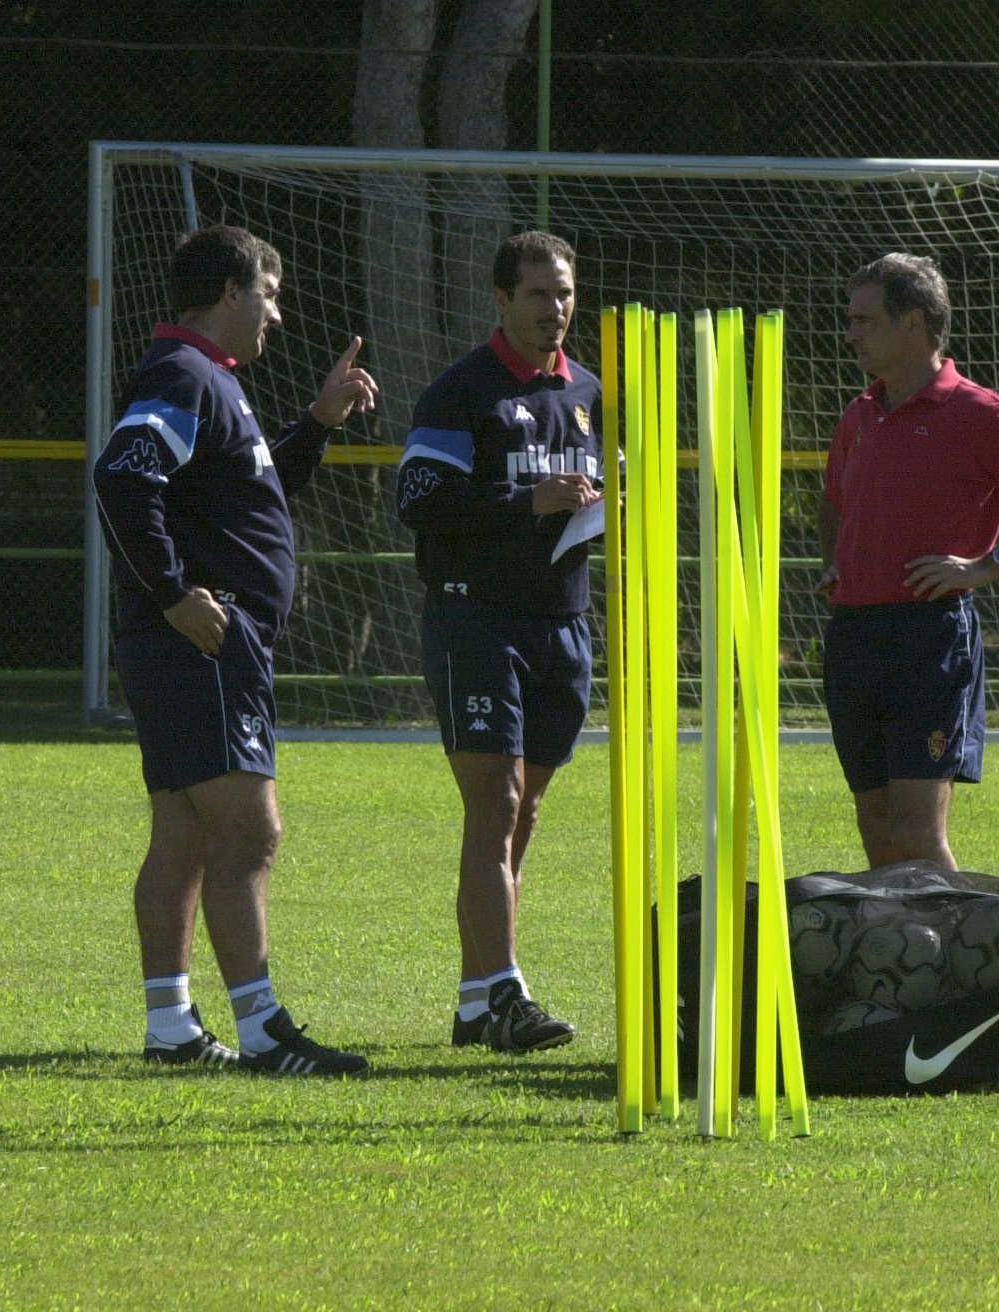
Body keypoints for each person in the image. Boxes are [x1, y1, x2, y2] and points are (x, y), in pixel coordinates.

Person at [93, 225, 379, 1075]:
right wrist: (176, 596)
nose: (279, 315)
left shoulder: (211, 382)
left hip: (204, 644)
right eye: (270, 294)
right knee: (251, 834)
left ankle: (171, 1027)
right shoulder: (183, 376)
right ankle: (263, 1031)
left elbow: (245, 492)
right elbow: (122, 475)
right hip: (203, 644)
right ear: (229, 292)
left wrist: (317, 424)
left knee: (182, 836)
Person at [396, 230, 602, 1054]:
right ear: (501, 300)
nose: (554, 309)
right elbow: (419, 496)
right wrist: (527, 501)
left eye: (564, 293)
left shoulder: (588, 390)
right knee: (496, 803)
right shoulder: (462, 392)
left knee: (525, 814)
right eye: (538, 294)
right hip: (476, 618)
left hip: (563, 622)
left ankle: (477, 999)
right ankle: (506, 993)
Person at [818, 252, 999, 871]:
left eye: (864, 319)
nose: (849, 332)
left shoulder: (978, 412)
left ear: (912, 323)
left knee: (916, 833)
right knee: (878, 829)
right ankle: (903, 961)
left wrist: (990, 564)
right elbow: (833, 500)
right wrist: (834, 560)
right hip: (854, 634)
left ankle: (957, 962)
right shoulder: (859, 414)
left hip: (929, 635)